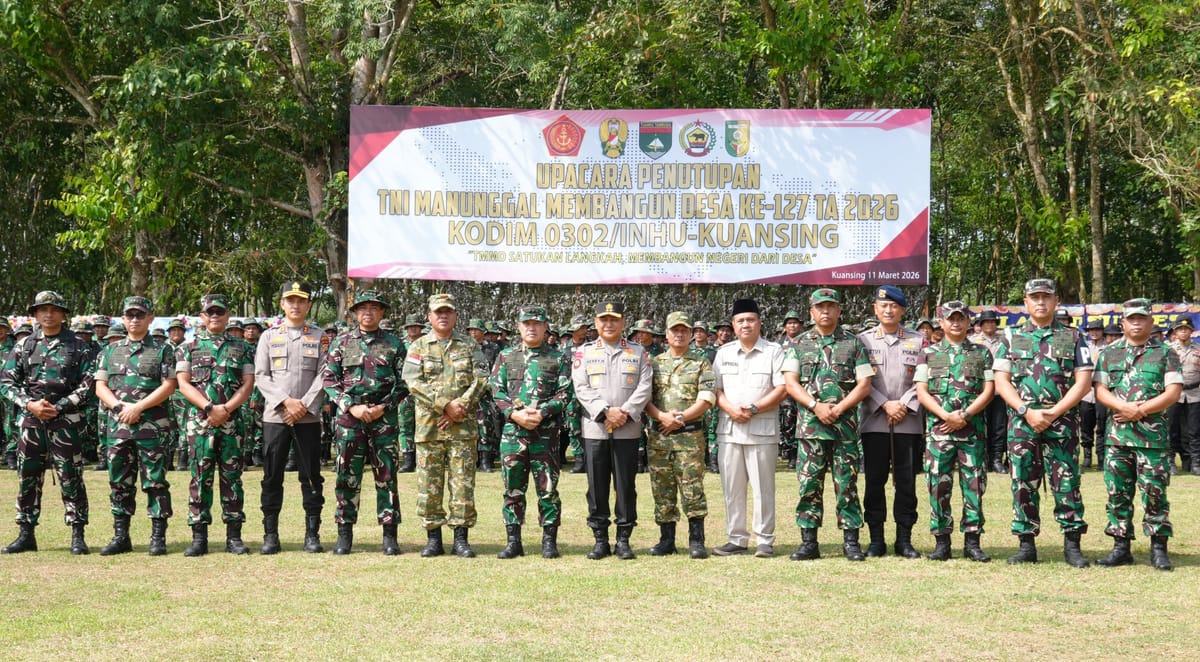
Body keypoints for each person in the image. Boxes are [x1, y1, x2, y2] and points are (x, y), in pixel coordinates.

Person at [991, 278, 1092, 567]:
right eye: (1034, 297)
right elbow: (1002, 381)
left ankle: (1072, 545)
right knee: (1022, 481)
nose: (1040, 302)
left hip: (1061, 424)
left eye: (1046, 297)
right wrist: (1027, 411)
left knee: (1067, 482)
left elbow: (1083, 382)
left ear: (1055, 301)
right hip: (1023, 424)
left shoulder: (1074, 337)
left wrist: (1055, 412)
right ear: (1025, 303)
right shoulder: (1010, 337)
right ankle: (1026, 545)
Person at [0, 292, 96, 554]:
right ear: (35, 314)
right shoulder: (24, 345)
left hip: (65, 421)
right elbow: (7, 382)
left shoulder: (79, 346)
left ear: (64, 314)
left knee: (71, 476)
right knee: (27, 477)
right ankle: (26, 533)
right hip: (31, 422)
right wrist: (29, 404)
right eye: (42, 310)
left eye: (54, 310)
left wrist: (60, 406)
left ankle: (78, 534)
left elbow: (89, 383)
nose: (48, 314)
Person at [782, 288, 874, 561]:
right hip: (811, 428)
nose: (825, 311)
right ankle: (809, 542)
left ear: (838, 310)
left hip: (843, 428)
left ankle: (851, 542)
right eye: (819, 307)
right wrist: (815, 406)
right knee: (809, 485)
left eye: (830, 306)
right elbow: (790, 383)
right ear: (811, 311)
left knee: (846, 485)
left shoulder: (854, 343)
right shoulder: (798, 344)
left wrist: (839, 408)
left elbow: (864, 384)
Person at [1093, 299, 1181, 571]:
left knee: (1154, 492)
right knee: (1117, 493)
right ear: (1123, 323)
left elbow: (1173, 392)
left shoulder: (1166, 353)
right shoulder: (1109, 353)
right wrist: (1122, 407)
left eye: (1142, 318)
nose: (1137, 322)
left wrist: (1140, 410)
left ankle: (1158, 547)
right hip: (1118, 439)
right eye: (1132, 318)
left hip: (1152, 440)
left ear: (1151, 322)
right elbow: (1100, 389)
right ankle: (1121, 547)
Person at [321, 289, 407, 555]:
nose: (368, 312)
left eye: (374, 307)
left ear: (382, 312)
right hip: (350, 420)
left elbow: (405, 382)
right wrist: (352, 406)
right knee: (347, 476)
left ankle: (389, 535)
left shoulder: (394, 343)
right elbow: (329, 380)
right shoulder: (342, 343)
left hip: (384, 420)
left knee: (387, 476)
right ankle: (344, 534)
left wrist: (384, 406)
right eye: (362, 307)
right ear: (355, 312)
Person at [402, 293, 488, 558]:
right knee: (429, 486)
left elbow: (482, 378)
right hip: (429, 428)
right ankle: (433, 539)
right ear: (429, 316)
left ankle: (460, 539)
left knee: (462, 485)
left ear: (455, 316)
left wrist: (460, 406)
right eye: (438, 312)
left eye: (448, 311)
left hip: (462, 428)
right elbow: (413, 382)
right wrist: (444, 406)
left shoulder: (469, 345)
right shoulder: (418, 347)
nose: (443, 316)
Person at [93, 296, 177, 556]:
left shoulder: (163, 350)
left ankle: (157, 537)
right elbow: (100, 386)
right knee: (119, 482)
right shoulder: (110, 350)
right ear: (123, 318)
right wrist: (119, 407)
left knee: (155, 482)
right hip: (118, 428)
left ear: (150, 318)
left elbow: (169, 385)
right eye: (129, 315)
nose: (134, 320)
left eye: (140, 315)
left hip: (152, 427)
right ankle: (121, 537)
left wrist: (138, 407)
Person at [570, 300, 653, 560]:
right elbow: (581, 387)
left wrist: (623, 413)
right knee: (596, 486)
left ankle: (624, 539)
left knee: (626, 485)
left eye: (614, 319)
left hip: (627, 429)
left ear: (623, 323)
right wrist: (607, 410)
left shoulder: (638, 352)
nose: (608, 324)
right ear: (596, 323)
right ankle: (600, 539)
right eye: (603, 319)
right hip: (595, 428)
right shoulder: (584, 352)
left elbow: (645, 386)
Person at [175, 294, 256, 556]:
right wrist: (209, 408)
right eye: (210, 312)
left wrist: (226, 409)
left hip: (232, 423)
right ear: (202, 316)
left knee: (232, 477)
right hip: (200, 423)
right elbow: (184, 383)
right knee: (200, 477)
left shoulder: (243, 347)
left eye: (219, 311)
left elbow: (248, 384)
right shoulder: (187, 347)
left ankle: (234, 536)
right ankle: (199, 537)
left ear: (228, 314)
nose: (215, 316)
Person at [913, 301, 994, 562]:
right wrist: (945, 415)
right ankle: (941, 542)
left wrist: (966, 415)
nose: (956, 323)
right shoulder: (928, 353)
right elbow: (922, 391)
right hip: (939, 432)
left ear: (969, 321)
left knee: (974, 485)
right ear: (942, 322)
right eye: (951, 319)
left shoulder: (982, 353)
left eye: (961, 318)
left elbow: (989, 390)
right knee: (938, 486)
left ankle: (972, 542)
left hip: (972, 432)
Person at [490, 305, 572, 559]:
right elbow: (496, 389)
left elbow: (566, 392)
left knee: (547, 489)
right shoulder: (506, 356)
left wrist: (543, 412)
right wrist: (514, 414)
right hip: (513, 434)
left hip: (545, 434)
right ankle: (514, 541)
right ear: (519, 327)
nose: (532, 328)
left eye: (537, 323)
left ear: (546, 326)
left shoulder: (558, 358)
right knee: (513, 489)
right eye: (527, 323)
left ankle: (549, 541)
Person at [254, 281, 328, 554]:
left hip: (307, 418)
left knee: (311, 476)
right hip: (276, 416)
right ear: (282, 304)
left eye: (301, 300)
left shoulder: (320, 336)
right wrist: (286, 402)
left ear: (308, 305)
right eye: (290, 300)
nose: (295, 305)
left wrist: (303, 405)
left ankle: (312, 534)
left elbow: (324, 375)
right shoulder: (268, 337)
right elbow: (262, 376)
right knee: (272, 475)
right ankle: (270, 535)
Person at [711, 298, 787, 558]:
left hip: (761, 430)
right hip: (730, 430)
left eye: (751, 320)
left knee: (763, 488)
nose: (746, 324)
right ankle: (736, 538)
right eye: (740, 320)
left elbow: (782, 388)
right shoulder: (724, 353)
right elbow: (715, 389)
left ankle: (765, 540)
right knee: (731, 488)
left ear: (759, 322)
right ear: (733, 325)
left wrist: (754, 408)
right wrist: (731, 409)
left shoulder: (774, 351)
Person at [857, 285, 927, 558]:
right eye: (883, 305)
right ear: (875, 309)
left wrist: (904, 404)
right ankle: (876, 539)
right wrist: (884, 403)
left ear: (902, 310)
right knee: (874, 481)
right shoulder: (862, 341)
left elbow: (923, 379)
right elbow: (860, 380)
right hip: (874, 421)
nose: (888, 310)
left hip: (907, 421)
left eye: (894, 306)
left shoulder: (919, 340)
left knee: (906, 481)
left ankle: (904, 539)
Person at [644, 311, 715, 559]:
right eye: (675, 330)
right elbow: (644, 399)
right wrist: (662, 417)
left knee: (692, 488)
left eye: (685, 330)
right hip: (659, 437)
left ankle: (697, 540)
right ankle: (667, 540)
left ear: (691, 334)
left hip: (689, 436)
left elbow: (707, 399)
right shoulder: (653, 364)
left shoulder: (701, 362)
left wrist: (680, 418)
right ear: (666, 334)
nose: (680, 334)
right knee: (662, 489)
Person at [971, 310, 1007, 474]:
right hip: (980, 391)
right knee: (981, 426)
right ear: (981, 324)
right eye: (986, 322)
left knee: (999, 426)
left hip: (1000, 390)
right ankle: (983, 458)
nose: (990, 324)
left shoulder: (1005, 341)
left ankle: (997, 459)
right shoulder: (973, 341)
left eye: (992, 322)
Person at [1168, 318, 1200, 476]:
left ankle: (1195, 463)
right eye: (1180, 329)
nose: (1183, 331)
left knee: (1194, 430)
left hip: (1194, 393)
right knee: (1171, 429)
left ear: (1191, 331)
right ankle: (1171, 461)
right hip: (1174, 393)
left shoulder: (1198, 349)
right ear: (1175, 332)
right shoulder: (1169, 349)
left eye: (1186, 329)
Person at [1079, 318, 1108, 470]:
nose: (1094, 333)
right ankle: (1087, 456)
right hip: (1085, 392)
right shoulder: (1085, 347)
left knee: (1102, 424)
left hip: (1102, 390)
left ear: (1102, 331)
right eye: (1091, 330)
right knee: (1085, 424)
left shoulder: (1108, 348)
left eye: (1097, 330)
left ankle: (1101, 457)